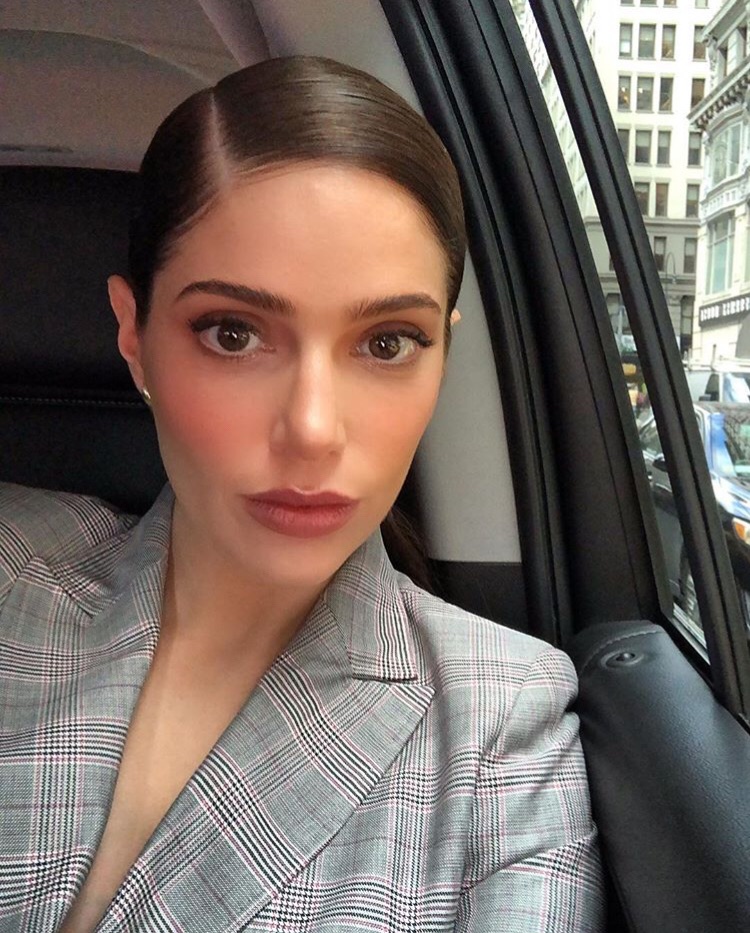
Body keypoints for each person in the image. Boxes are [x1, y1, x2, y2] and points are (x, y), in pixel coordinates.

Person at [0, 56, 604, 931]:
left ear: (443, 354)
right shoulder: (13, 562)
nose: (314, 428)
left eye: (388, 343)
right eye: (233, 333)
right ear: (133, 337)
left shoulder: (501, 726)